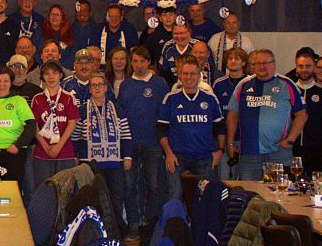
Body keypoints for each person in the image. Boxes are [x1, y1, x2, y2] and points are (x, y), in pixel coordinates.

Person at [225, 49, 308, 180]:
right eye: (258, 63)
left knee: (279, 190)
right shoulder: (244, 84)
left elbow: (302, 114)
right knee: (249, 190)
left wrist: (290, 139)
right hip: (249, 152)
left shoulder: (286, 84)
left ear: (274, 64)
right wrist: (230, 144)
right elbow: (232, 115)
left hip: (279, 151)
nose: (262, 67)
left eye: (266, 63)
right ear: (252, 66)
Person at [117, 47, 169, 236]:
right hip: (130, 144)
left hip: (153, 143)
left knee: (153, 185)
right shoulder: (126, 85)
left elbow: (165, 114)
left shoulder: (160, 83)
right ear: (131, 63)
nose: (138, 65)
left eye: (142, 61)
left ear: (148, 62)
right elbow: (120, 114)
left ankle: (151, 226)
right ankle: (134, 225)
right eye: (135, 61)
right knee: (130, 185)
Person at [159, 60, 224, 197]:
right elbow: (161, 129)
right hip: (177, 157)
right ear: (179, 76)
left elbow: (219, 127)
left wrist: (220, 150)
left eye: (193, 73)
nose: (189, 77)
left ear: (199, 75)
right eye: (185, 73)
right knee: (174, 195)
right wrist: (168, 153)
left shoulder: (209, 98)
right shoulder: (171, 98)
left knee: (205, 197)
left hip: (204, 156)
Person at [74, 73, 133, 223]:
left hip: (114, 162)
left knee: (116, 197)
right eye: (93, 85)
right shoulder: (82, 110)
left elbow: (126, 135)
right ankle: (96, 228)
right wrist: (75, 156)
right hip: (91, 162)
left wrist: (127, 156)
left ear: (106, 88)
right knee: (95, 197)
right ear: (89, 89)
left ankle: (116, 229)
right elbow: (76, 136)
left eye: (100, 84)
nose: (97, 88)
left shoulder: (117, 109)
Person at [30, 61, 79, 188]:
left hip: (65, 152)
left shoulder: (69, 97)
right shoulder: (37, 99)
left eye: (54, 73)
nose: (51, 77)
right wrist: (45, 146)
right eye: (47, 73)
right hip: (42, 153)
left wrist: (59, 145)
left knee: (65, 191)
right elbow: (34, 125)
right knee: (43, 189)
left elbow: (72, 123)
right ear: (42, 76)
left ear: (61, 75)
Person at [211, 47, 249, 180]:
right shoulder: (219, 84)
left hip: (247, 138)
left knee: (247, 178)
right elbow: (214, 112)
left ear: (244, 62)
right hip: (225, 137)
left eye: (237, 59)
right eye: (230, 59)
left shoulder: (250, 82)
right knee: (225, 178)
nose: (233, 61)